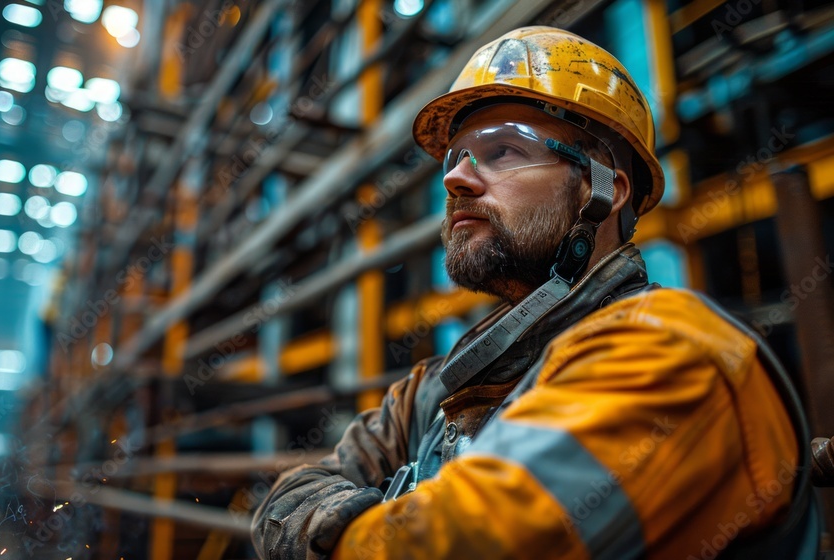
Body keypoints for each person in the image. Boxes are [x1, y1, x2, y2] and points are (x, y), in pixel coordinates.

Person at [251, 26, 821, 560]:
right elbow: (288, 498)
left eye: (504, 151)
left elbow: (469, 544)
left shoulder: (673, 351)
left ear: (605, 190)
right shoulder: (437, 391)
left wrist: (336, 531)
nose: (456, 179)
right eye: (457, 157)